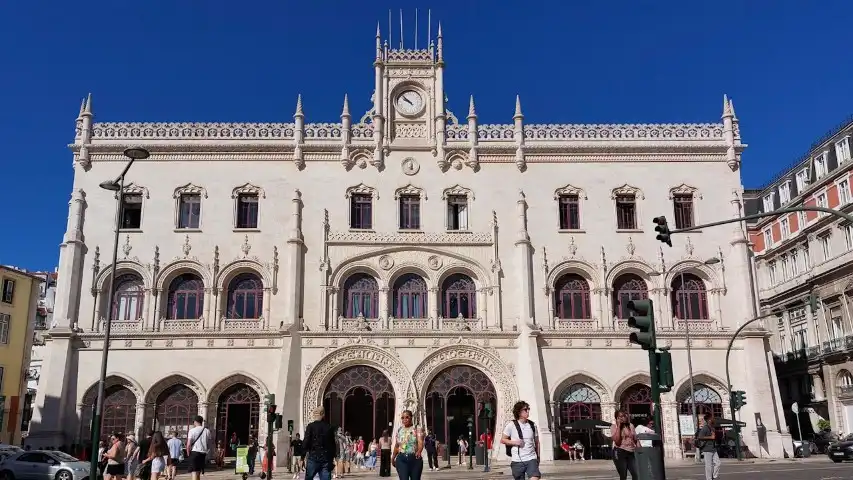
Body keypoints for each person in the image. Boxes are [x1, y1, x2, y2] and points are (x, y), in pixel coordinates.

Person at [500, 401, 540, 480]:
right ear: (519, 412)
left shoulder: (532, 425)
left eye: (528, 409)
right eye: (525, 409)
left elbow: (537, 442)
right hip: (517, 460)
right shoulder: (511, 425)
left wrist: (538, 457)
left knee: (535, 477)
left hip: (531, 458)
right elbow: (503, 440)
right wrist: (515, 442)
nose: (528, 411)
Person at [303, 406, 336, 480]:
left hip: (313, 457)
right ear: (323, 414)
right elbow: (332, 446)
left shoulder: (310, 426)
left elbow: (306, 442)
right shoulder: (329, 427)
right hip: (326, 459)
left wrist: (302, 457)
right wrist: (332, 459)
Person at [391, 409, 423, 480]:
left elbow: (420, 442)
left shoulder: (417, 429)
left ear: (411, 417)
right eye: (402, 418)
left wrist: (419, 451)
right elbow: (397, 445)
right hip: (401, 459)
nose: (404, 419)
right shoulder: (399, 430)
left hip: (415, 459)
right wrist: (393, 457)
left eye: (407, 417)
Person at [610, 410, 638, 480]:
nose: (624, 418)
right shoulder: (614, 427)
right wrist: (619, 426)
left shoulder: (630, 425)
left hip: (631, 451)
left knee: (636, 474)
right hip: (619, 451)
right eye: (621, 416)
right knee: (623, 475)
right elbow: (617, 441)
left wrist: (640, 449)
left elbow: (635, 439)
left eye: (625, 416)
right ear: (617, 418)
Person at [186, 415, 212, 480]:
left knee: (194, 471)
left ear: (195, 421)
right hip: (203, 453)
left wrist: (188, 453)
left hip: (195, 452)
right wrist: (207, 451)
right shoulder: (207, 431)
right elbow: (210, 444)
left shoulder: (192, 430)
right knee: (198, 472)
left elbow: (188, 444)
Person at [696, 413, 720, 480]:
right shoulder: (705, 428)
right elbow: (700, 437)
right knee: (708, 466)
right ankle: (709, 478)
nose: (713, 419)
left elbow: (714, 437)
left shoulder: (712, 427)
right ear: (709, 420)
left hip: (713, 448)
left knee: (718, 463)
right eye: (712, 418)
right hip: (707, 449)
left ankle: (714, 476)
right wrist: (710, 437)